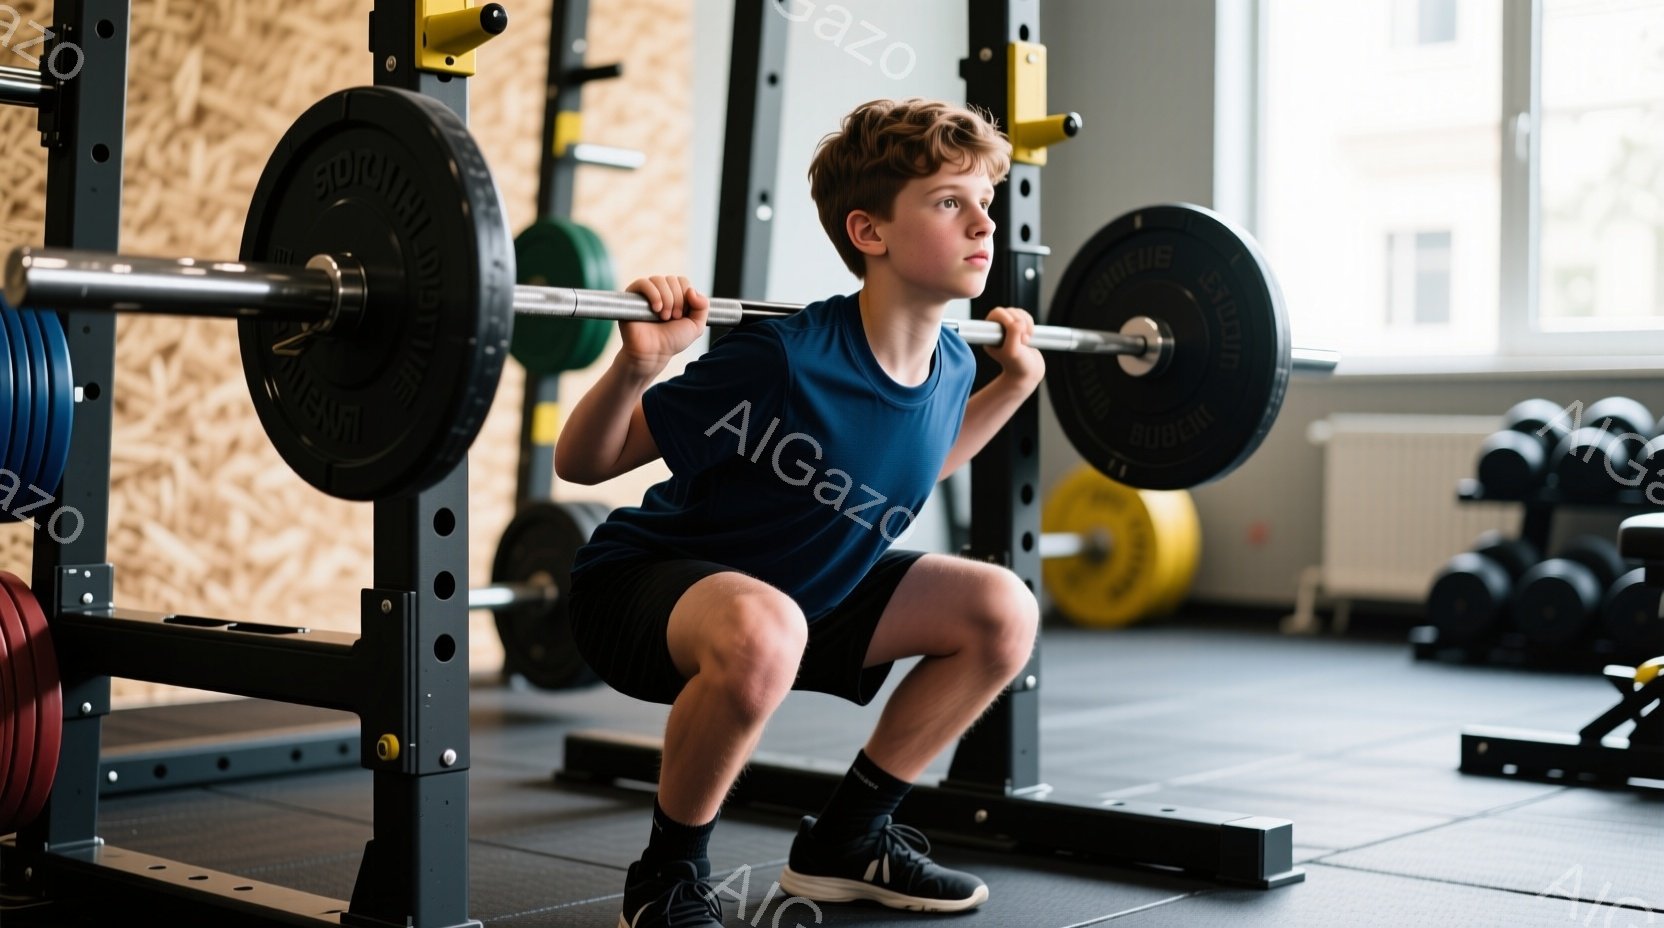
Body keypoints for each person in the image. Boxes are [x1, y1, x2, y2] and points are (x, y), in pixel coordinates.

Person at [556, 97, 1043, 928]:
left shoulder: (956, 362)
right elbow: (586, 462)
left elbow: (914, 467)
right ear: (870, 232)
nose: (982, 224)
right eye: (950, 202)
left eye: (986, 204)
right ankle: (667, 877)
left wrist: (1013, 386)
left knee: (1002, 611)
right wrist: (637, 368)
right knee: (766, 625)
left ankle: (847, 841)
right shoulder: (783, 358)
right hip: (645, 591)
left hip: (806, 595)